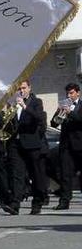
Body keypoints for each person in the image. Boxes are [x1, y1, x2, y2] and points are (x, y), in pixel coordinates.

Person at [4, 80, 49, 215]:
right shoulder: (13, 103)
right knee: (17, 175)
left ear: (29, 88)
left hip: (32, 144)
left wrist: (25, 106)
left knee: (35, 174)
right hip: (16, 144)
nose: (21, 91)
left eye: (23, 88)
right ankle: (15, 204)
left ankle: (37, 202)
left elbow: (40, 118)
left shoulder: (36, 102)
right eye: (19, 89)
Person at [51, 82, 82, 210]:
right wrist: (59, 112)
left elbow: (80, 119)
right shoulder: (64, 106)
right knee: (65, 174)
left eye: (71, 93)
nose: (69, 96)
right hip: (66, 145)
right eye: (68, 93)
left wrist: (70, 112)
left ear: (78, 93)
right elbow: (53, 124)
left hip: (80, 145)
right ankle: (64, 201)